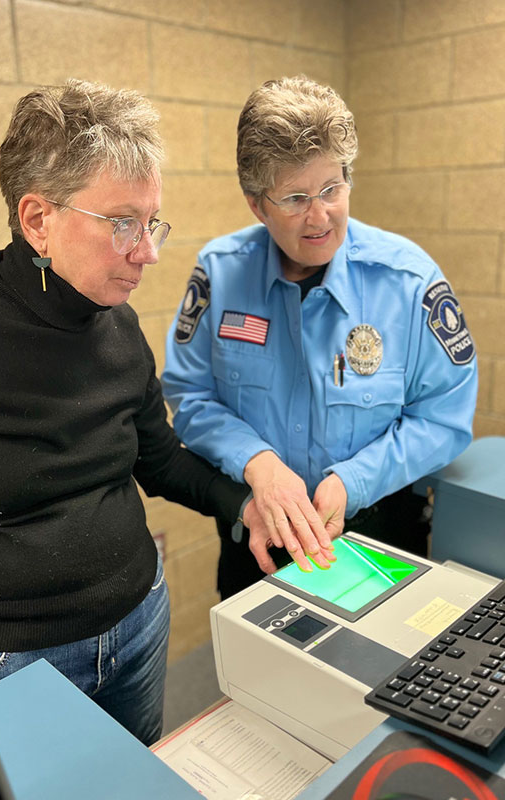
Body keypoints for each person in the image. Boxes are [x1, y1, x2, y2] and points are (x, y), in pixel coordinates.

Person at [0, 79, 266, 746]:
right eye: (122, 222)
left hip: (135, 625)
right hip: (2, 664)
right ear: (38, 219)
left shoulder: (117, 324)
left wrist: (245, 506)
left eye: (151, 221)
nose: (148, 251)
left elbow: (156, 459)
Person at [162, 75, 478, 600]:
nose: (320, 216)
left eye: (332, 189)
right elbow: (190, 396)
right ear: (256, 204)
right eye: (294, 198)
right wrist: (256, 463)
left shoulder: (408, 281)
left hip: (377, 538)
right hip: (258, 538)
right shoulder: (220, 274)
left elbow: (443, 420)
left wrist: (352, 481)